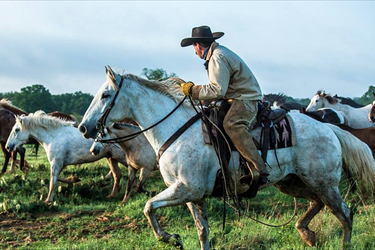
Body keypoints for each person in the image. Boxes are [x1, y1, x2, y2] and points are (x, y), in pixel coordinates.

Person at [180, 25, 269, 189]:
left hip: (245, 99)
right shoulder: (218, 53)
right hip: (237, 97)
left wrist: (192, 90)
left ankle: (259, 169)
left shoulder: (217, 58)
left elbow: (217, 89)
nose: (194, 51)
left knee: (232, 125)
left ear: (198, 45)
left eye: (194, 46)